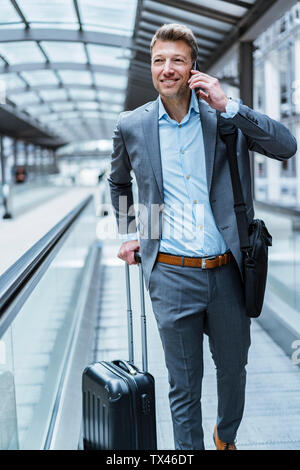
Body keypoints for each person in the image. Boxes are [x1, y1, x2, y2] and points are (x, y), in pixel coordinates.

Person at [108, 23, 297, 450]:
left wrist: (229, 104)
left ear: (194, 66)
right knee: (183, 385)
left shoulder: (222, 116)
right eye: (159, 61)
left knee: (234, 372)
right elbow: (119, 183)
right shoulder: (133, 125)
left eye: (177, 60)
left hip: (228, 271)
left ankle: (224, 437)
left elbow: (286, 146)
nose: (167, 69)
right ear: (151, 67)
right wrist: (138, 232)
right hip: (171, 275)